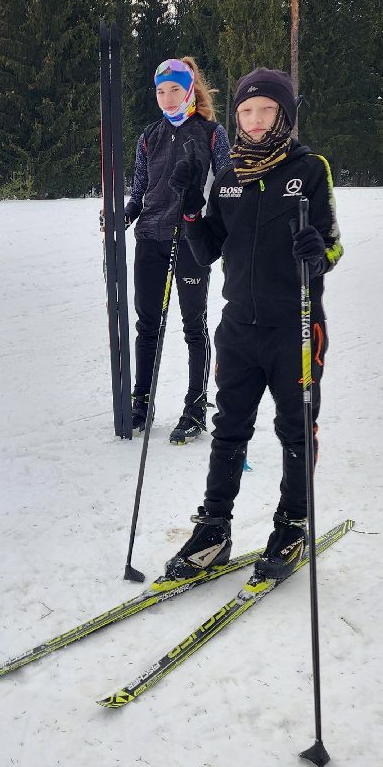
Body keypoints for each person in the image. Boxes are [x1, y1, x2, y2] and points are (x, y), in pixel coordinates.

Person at [161, 67, 343, 583]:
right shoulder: (230, 174)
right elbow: (207, 252)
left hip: (296, 327)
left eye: (266, 110)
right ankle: (214, 528)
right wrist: (192, 213)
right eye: (246, 111)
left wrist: (317, 254)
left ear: (283, 114)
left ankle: (292, 524)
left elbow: (332, 244)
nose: (256, 120)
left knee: (294, 430)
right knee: (229, 429)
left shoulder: (309, 169)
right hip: (238, 327)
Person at [124, 57, 230, 443]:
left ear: (189, 91)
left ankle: (195, 406)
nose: (167, 98)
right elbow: (139, 191)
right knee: (147, 324)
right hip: (151, 237)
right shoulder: (148, 136)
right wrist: (124, 214)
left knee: (192, 325)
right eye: (160, 91)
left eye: (174, 90)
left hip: (190, 239)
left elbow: (227, 185)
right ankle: (141, 400)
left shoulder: (211, 133)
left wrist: (208, 220)